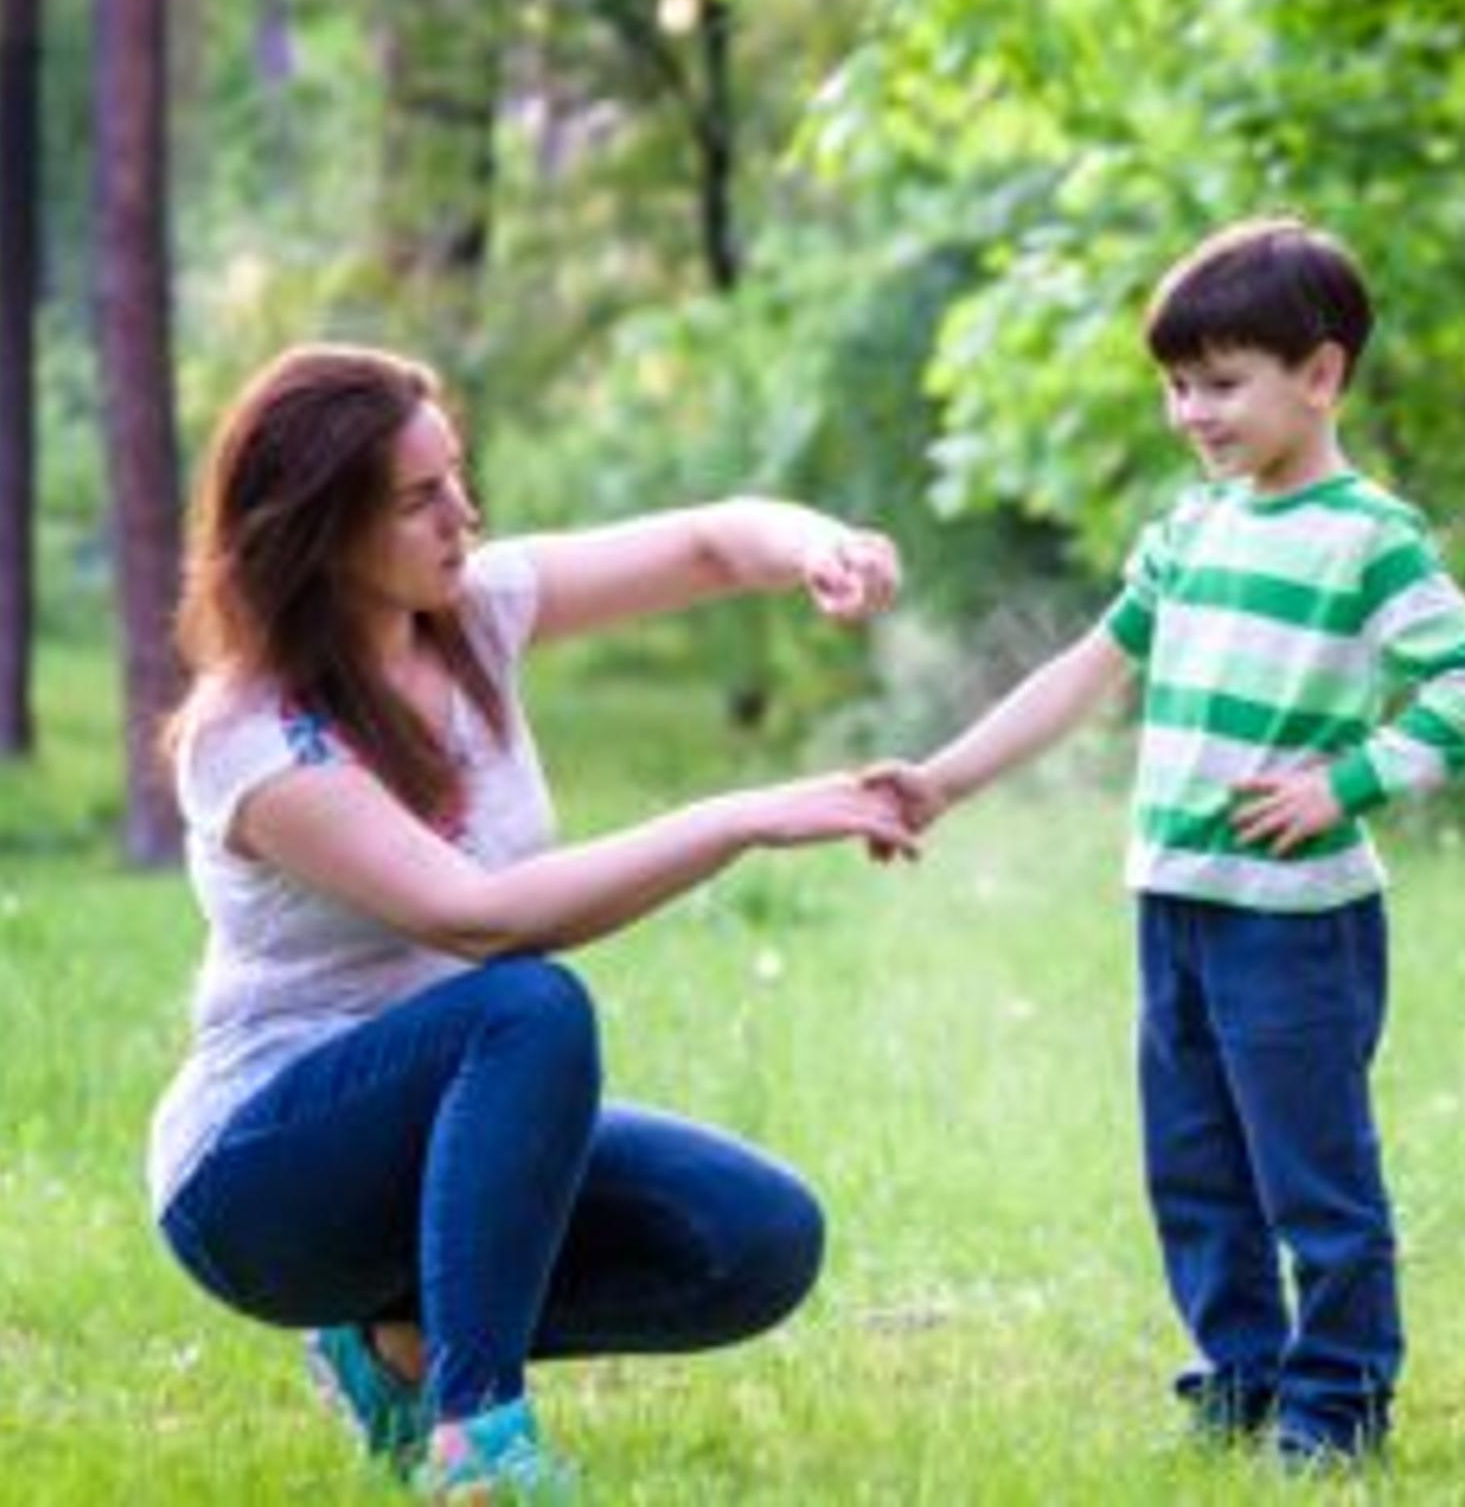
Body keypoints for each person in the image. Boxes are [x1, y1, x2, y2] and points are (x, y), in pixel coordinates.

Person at [144, 343, 917, 1500]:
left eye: (456, 476)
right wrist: (741, 819)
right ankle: (480, 1443)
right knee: (525, 1008)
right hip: (261, 1182)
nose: (462, 513)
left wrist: (822, 547)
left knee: (756, 1239)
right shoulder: (254, 734)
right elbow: (482, 922)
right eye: (418, 499)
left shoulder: (474, 611)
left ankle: (390, 1347)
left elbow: (710, 544)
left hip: (446, 1126)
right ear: (318, 529)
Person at [867, 219, 1465, 1467]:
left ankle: (1338, 1410)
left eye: (1221, 384)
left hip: (1297, 924)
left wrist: (1352, 781)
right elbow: (1081, 674)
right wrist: (943, 781)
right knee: (1195, 1169)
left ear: (1319, 377)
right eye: (1177, 385)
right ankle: (1243, 1374)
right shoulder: (1191, 532)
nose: (1191, 413)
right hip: (1174, 902)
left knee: (1313, 1183)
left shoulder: (1370, 538)